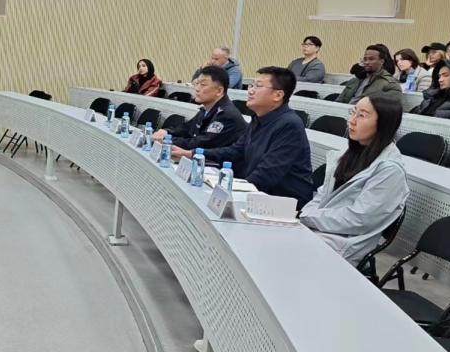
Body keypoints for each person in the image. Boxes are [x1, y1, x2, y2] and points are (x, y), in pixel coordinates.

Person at [172, 66, 314, 208]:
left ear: (278, 95)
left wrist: (234, 193)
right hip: (257, 194)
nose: (250, 91)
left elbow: (267, 174)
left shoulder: (289, 125)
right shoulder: (258, 118)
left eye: (258, 86)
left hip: (283, 204)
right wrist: (192, 154)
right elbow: (235, 151)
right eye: (251, 85)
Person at [299, 95, 409, 266]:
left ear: (384, 124)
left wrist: (308, 216)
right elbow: (321, 195)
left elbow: (358, 219)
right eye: (353, 112)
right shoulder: (350, 154)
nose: (351, 121)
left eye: (362, 115)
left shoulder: (390, 171)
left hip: (343, 245)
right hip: (319, 229)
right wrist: (306, 215)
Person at [152, 65, 246, 151]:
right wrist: (166, 132)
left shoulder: (227, 115)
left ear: (219, 91)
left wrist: (168, 140)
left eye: (203, 85)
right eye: (197, 83)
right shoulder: (206, 109)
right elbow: (186, 128)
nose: (197, 89)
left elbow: (201, 143)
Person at [336, 45, 402, 104]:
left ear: (382, 61)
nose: (367, 62)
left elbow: (390, 109)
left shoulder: (390, 84)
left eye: (371, 59)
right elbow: (339, 101)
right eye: (365, 59)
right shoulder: (356, 80)